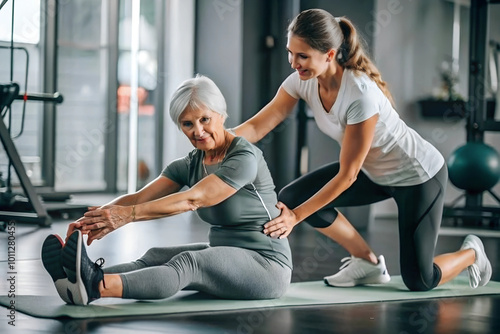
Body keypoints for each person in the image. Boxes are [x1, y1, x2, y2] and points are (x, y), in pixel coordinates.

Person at [232, 8, 492, 291]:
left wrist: (295, 217)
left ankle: (472, 253)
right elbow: (258, 127)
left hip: (418, 176)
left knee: (420, 279)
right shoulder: (302, 81)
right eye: (290, 53)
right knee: (294, 197)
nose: (294, 63)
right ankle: (367, 262)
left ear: (329, 55)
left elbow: (347, 175)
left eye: (302, 55)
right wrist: (219, 138)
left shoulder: (360, 95)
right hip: (374, 171)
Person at [41, 75, 292, 305]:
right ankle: (79, 277)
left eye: (204, 119)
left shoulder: (243, 156)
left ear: (221, 114)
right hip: (226, 255)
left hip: (266, 265)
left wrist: (126, 217)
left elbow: (194, 199)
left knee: (189, 263)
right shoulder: (192, 163)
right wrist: (91, 220)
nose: (198, 131)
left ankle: (95, 286)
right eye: (187, 124)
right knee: (154, 256)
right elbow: (139, 198)